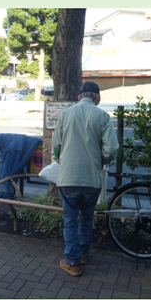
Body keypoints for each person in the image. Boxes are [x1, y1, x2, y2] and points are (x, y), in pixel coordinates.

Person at [53, 81, 119, 276]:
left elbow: (56, 146)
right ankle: (82, 254)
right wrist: (100, 161)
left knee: (70, 220)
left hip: (68, 178)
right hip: (91, 178)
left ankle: (72, 262)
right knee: (87, 219)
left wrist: (60, 160)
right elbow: (112, 148)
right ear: (96, 97)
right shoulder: (103, 116)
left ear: (80, 96)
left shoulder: (65, 114)